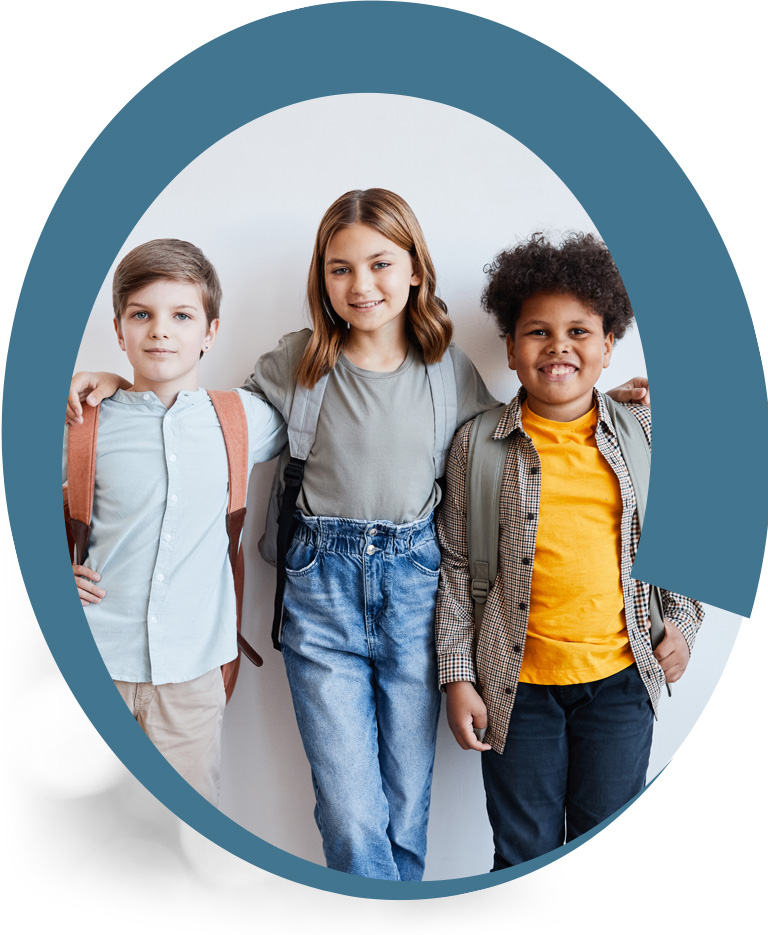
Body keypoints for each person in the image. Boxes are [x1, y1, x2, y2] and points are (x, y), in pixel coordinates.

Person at [65, 195, 649, 880]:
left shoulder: (448, 372)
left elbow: (512, 438)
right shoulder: (298, 363)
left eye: (380, 264)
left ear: (414, 272)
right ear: (322, 278)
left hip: (415, 594)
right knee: (349, 810)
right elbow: (200, 426)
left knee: (407, 804)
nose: (362, 284)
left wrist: (616, 404)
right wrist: (120, 388)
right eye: (341, 268)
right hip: (322, 597)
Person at [436, 232, 703, 869]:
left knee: (604, 853)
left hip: (621, 683)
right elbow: (451, 562)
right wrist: (456, 675)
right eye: (538, 332)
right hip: (514, 689)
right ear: (510, 346)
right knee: (522, 854)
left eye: (580, 332)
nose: (559, 347)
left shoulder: (639, 430)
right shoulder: (478, 444)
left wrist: (685, 626)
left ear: (608, 347)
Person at [66, 239, 286, 805]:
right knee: (93, 838)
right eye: (142, 315)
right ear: (119, 331)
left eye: (181, 316)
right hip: (94, 660)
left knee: (183, 839)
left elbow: (318, 380)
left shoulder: (242, 418)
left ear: (210, 332)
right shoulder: (83, 422)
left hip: (192, 674)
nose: (160, 331)